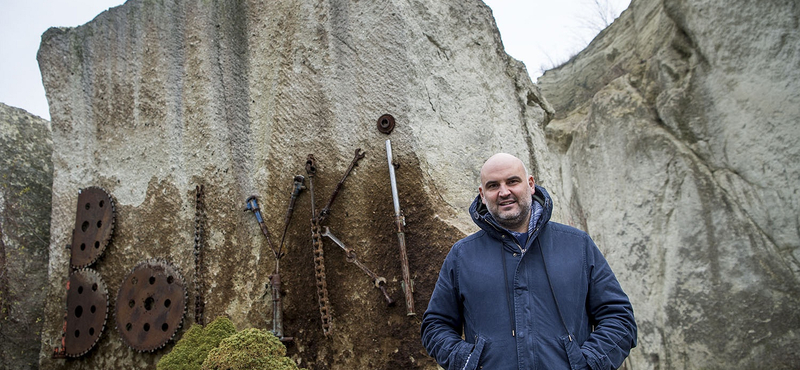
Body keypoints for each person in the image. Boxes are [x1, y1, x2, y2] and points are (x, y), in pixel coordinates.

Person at [421, 153, 637, 370]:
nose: (504, 192)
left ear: (531, 184)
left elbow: (619, 318)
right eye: (493, 185)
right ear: (482, 195)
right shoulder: (462, 255)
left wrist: (589, 363)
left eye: (512, 181)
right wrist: (468, 360)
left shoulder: (578, 245)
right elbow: (435, 326)